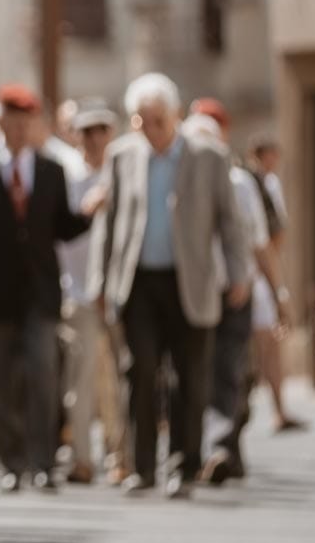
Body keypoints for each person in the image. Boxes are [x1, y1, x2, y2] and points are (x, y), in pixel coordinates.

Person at [88, 73, 254, 499]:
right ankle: (142, 468)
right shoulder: (123, 156)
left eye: (158, 120)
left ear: (175, 116)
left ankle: (183, 464)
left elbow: (230, 224)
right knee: (140, 371)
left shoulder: (210, 157)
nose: (150, 130)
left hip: (190, 283)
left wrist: (239, 273)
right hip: (139, 282)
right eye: (141, 121)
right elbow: (108, 223)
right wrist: (99, 280)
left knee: (189, 377)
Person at [0, 84, 94, 492]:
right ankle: (13, 462)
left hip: (40, 296)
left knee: (44, 375)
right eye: (14, 122)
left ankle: (43, 463)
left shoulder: (50, 171)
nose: (21, 131)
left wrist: (89, 213)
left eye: (28, 123)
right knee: (0, 381)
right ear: (1, 122)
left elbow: (62, 226)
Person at [184, 100, 272, 486]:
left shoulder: (238, 183)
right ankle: (210, 448)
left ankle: (221, 446)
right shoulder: (179, 177)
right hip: (193, 290)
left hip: (232, 290)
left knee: (228, 370)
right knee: (197, 370)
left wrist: (253, 282)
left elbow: (253, 239)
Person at [58, 99, 126, 483]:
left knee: (117, 380)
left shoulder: (123, 177)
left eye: (102, 130)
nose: (95, 138)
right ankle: (82, 458)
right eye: (88, 131)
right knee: (79, 384)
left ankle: (121, 458)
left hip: (116, 294)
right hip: (78, 293)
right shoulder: (69, 180)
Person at [249, 134, 304, 432]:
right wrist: (274, 279)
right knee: (268, 342)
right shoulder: (266, 185)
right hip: (257, 274)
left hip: (247, 274)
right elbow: (276, 235)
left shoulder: (247, 181)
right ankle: (278, 410)